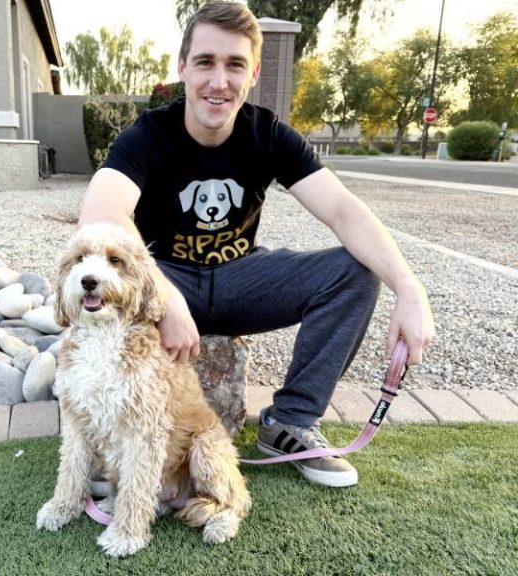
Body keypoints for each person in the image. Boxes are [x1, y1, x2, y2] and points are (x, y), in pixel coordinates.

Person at [77, 1, 434, 488]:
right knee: (106, 286)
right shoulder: (148, 135)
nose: (219, 81)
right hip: (167, 280)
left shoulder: (267, 134)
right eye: (205, 62)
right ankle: (114, 440)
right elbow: (100, 215)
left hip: (240, 278)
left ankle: (289, 422)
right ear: (182, 67)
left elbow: (343, 211)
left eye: (234, 65)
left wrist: (410, 290)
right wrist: (165, 298)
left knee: (356, 273)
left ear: (254, 73)